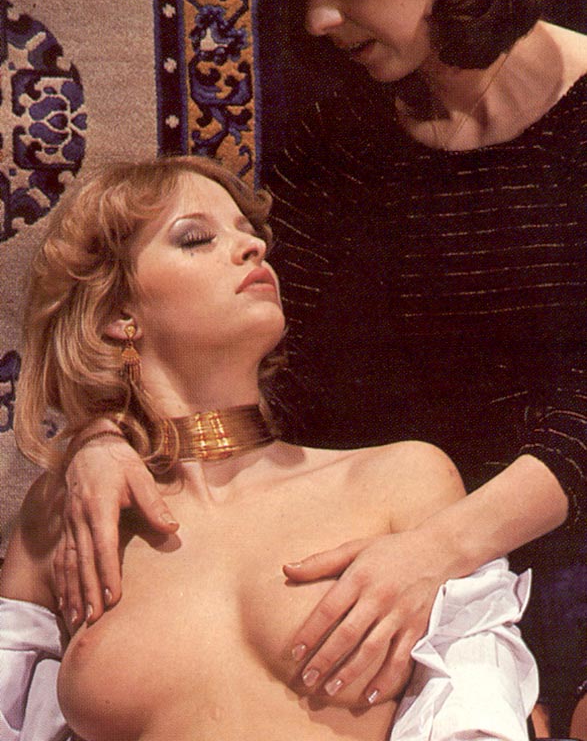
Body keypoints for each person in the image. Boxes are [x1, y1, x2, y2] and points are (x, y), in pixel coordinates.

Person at [50, 0, 587, 737]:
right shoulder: (333, 142)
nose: (318, 19)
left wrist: (438, 548)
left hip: (526, 550)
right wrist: (105, 433)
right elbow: (248, 355)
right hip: (374, 552)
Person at [0, 155, 538, 741]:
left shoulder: (399, 479)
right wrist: (96, 435)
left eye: (249, 232)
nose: (252, 247)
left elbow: (477, 709)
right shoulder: (69, 516)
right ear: (117, 314)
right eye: (196, 238)